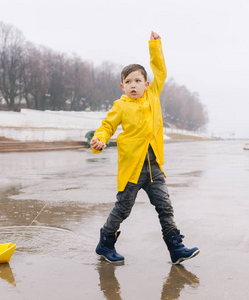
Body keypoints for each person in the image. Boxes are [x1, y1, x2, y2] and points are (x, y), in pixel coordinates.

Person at [90, 31, 199, 265]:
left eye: (137, 81)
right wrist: (99, 140)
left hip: (154, 167)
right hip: (132, 168)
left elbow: (160, 70)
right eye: (128, 82)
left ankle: (175, 248)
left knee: (165, 206)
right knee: (123, 209)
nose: (133, 85)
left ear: (146, 84)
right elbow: (107, 125)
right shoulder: (121, 106)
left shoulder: (153, 97)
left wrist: (155, 45)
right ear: (122, 85)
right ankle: (105, 243)